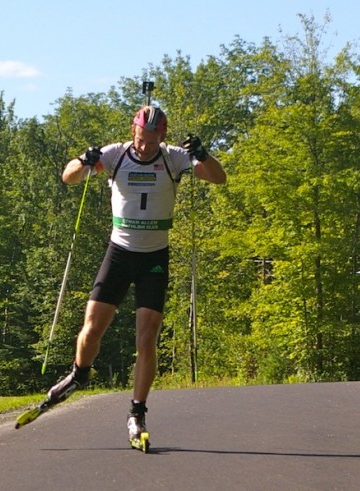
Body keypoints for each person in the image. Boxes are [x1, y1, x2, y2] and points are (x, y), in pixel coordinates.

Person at [45, 105, 226, 444]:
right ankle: (79, 374)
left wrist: (203, 155)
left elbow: (218, 177)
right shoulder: (116, 154)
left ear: (163, 136)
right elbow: (68, 177)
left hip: (154, 259)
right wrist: (83, 161)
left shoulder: (174, 158)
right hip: (119, 254)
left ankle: (137, 411)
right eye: (140, 139)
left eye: (151, 141)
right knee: (91, 329)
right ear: (134, 132)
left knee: (146, 338)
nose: (143, 147)